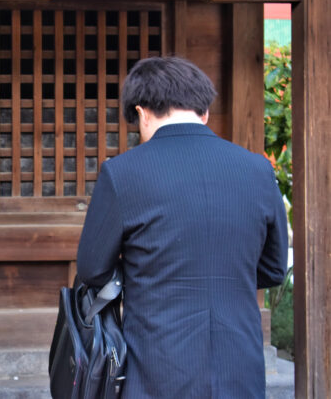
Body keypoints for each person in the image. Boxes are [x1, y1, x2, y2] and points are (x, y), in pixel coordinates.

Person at [76, 57, 288, 398]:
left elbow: (91, 269)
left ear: (142, 113)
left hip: (157, 361)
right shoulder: (258, 171)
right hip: (239, 361)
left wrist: (148, 274)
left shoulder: (122, 173)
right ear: (203, 113)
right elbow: (275, 268)